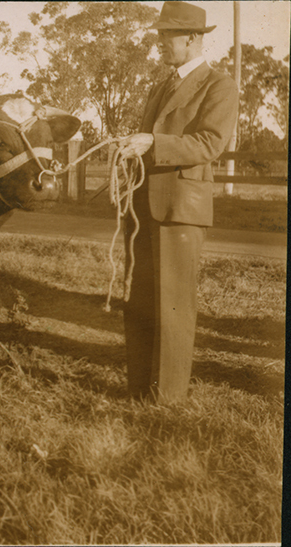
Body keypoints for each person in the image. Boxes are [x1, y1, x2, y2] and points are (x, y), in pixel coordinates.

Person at [116, 1, 239, 404]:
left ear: (192, 38)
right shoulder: (162, 84)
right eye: (158, 34)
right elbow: (152, 138)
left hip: (181, 209)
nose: (159, 43)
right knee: (140, 302)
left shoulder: (219, 85)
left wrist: (152, 142)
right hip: (144, 206)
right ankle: (138, 391)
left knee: (173, 307)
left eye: (166, 35)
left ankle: (166, 400)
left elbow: (209, 143)